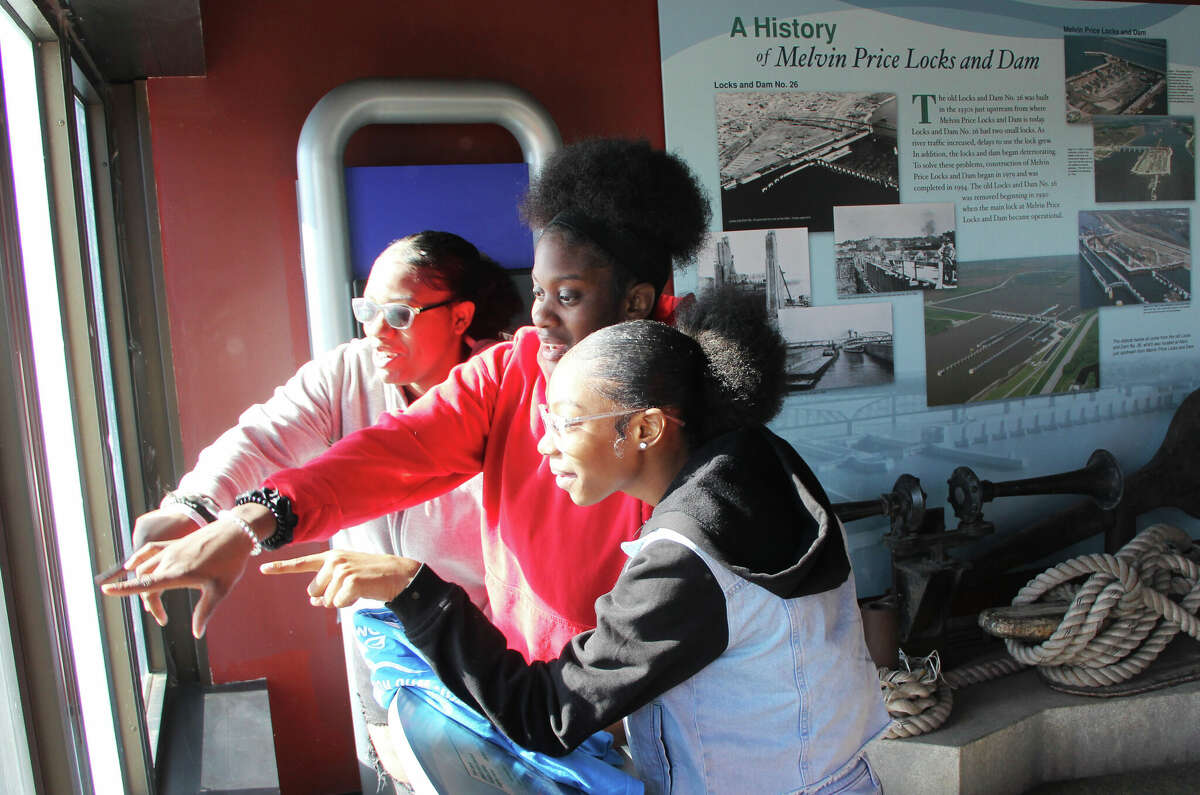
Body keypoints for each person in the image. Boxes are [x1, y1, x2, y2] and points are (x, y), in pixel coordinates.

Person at [103, 138, 711, 667]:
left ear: (635, 303)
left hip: (626, 698)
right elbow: (391, 452)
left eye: (569, 296)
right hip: (525, 685)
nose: (542, 315)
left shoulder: (695, 419)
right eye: (540, 291)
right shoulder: (508, 372)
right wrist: (239, 523)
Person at [261, 285, 891, 794]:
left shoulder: (686, 560)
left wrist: (415, 590)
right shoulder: (762, 463)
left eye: (566, 423)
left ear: (643, 428)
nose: (543, 444)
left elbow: (547, 715)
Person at [127, 230, 522, 786]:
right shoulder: (347, 373)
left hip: (476, 623)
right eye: (366, 309)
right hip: (379, 625)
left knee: (496, 771)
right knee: (413, 772)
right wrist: (195, 508)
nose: (377, 331)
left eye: (400, 315)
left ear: (460, 318)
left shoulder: (505, 388)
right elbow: (262, 438)